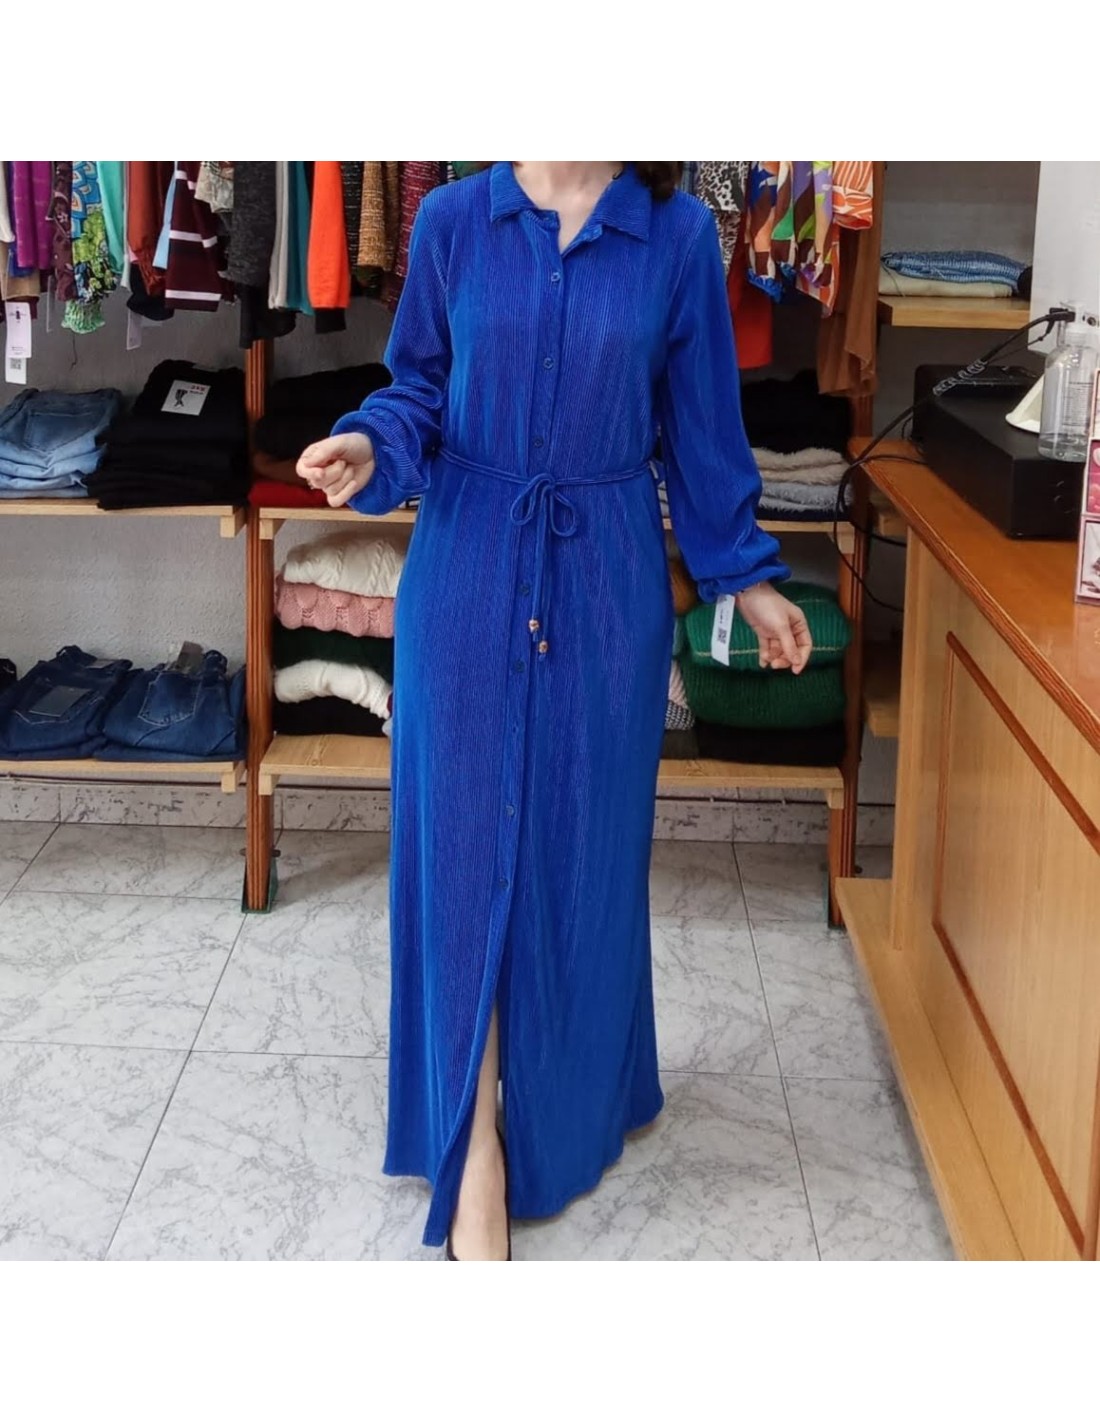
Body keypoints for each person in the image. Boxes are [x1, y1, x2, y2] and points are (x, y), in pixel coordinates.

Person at [297, 162, 812, 1261]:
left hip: (606, 584)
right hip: (468, 565)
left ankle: (575, 1102)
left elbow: (702, 426)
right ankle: (474, 1145)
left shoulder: (676, 234)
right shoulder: (452, 219)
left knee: (585, 856)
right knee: (460, 851)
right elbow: (417, 390)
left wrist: (744, 575)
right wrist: (371, 446)